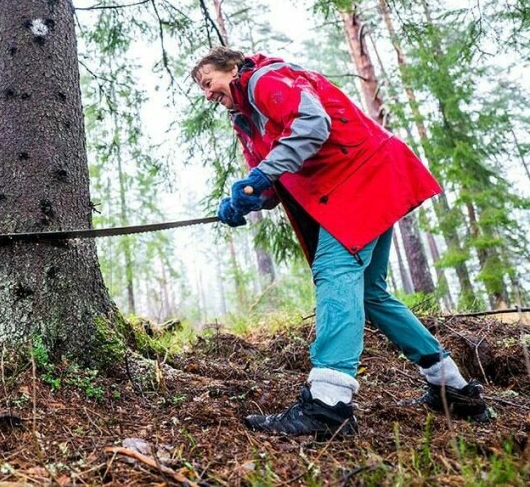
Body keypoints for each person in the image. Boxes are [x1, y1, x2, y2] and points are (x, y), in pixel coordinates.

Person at [192, 46, 489, 438]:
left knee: (336, 270)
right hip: (359, 182)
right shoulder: (246, 118)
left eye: (209, 82)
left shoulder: (265, 81)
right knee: (369, 292)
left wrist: (259, 179)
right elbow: (277, 174)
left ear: (232, 68)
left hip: (358, 180)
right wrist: (248, 200)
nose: (208, 94)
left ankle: (329, 405)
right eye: (202, 90)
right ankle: (453, 387)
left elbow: (313, 125)